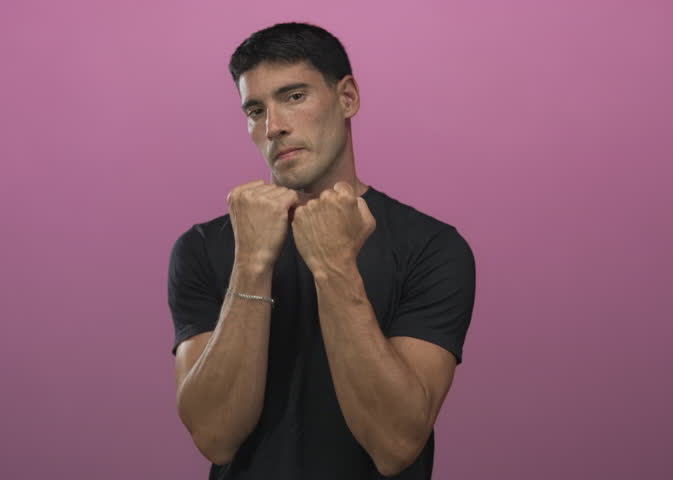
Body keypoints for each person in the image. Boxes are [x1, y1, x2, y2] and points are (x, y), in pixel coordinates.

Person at [167, 22, 476, 479]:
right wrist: (251, 262)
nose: (273, 127)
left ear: (347, 97)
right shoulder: (203, 247)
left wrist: (334, 266)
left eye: (294, 97)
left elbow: (395, 445)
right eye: (255, 109)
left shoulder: (432, 247)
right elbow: (215, 436)